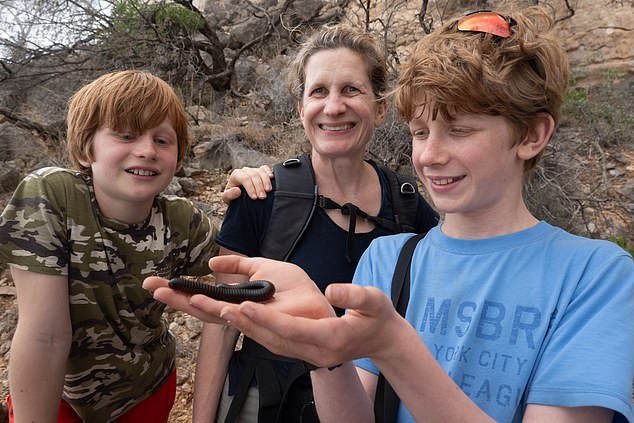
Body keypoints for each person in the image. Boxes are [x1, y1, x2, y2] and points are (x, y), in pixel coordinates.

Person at [144, 6, 634, 423]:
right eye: (421, 132)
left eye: (459, 130)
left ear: (531, 135)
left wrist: (393, 346)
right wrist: (326, 351)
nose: (430, 156)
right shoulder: (389, 257)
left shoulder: (597, 276)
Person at [193, 25, 439, 423]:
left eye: (351, 90)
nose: (334, 106)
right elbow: (222, 327)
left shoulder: (408, 208)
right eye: (319, 91)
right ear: (300, 108)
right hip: (263, 404)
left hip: (368, 405)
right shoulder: (262, 197)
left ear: (380, 108)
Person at [0, 70, 268, 423]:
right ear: (85, 147)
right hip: (56, 391)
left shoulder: (182, 220)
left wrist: (251, 198)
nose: (146, 151)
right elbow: (46, 336)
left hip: (146, 391)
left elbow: (244, 270)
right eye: (125, 135)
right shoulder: (50, 196)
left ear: (178, 155)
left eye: (162, 140)